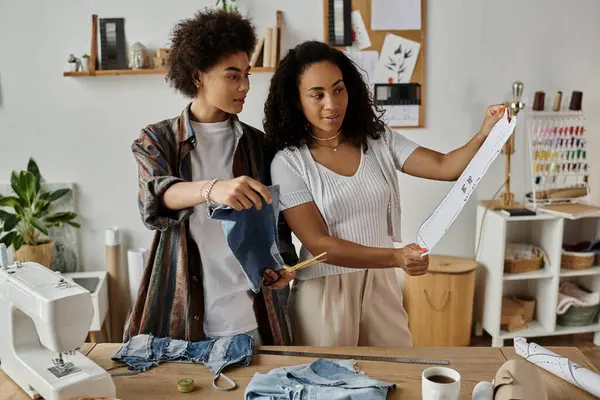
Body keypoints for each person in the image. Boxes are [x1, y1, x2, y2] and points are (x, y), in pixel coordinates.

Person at [263, 40, 504, 347]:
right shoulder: (289, 162)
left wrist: (484, 132)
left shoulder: (378, 140)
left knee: (397, 377)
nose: (331, 103)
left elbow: (446, 167)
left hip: (381, 283)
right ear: (296, 101)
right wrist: (395, 256)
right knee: (331, 386)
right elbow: (320, 245)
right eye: (317, 94)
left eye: (338, 89)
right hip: (324, 292)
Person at [124, 9, 297, 346]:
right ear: (198, 76)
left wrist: (281, 266)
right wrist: (213, 189)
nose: (245, 86)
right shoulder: (157, 140)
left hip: (251, 315)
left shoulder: (259, 145)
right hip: (184, 319)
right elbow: (155, 197)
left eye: (247, 74)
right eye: (232, 76)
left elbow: (277, 225)